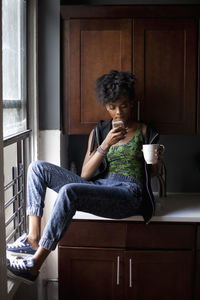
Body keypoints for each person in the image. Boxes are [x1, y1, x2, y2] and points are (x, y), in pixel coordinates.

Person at [6, 70, 163, 284]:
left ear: (132, 103)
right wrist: (105, 144)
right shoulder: (99, 132)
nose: (119, 112)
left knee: (69, 191)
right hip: (101, 187)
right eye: (112, 107)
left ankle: (35, 265)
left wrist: (155, 161)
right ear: (106, 106)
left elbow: (152, 174)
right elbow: (85, 174)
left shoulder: (145, 131)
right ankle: (33, 237)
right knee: (37, 168)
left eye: (124, 105)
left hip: (129, 193)